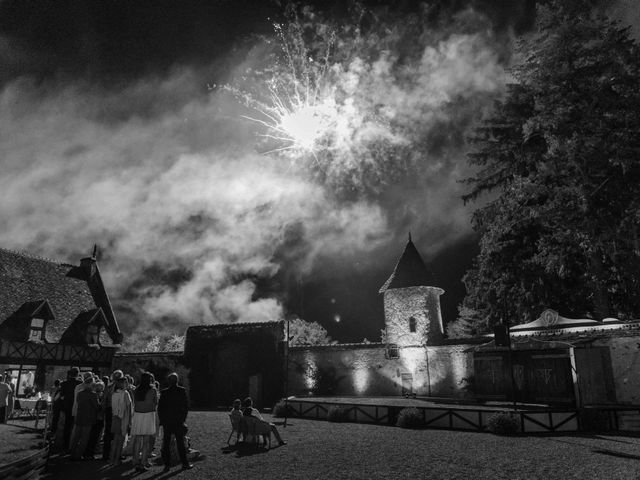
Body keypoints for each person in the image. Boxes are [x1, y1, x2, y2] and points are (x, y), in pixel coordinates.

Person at [158, 373, 193, 472]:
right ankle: (185, 464)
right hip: (178, 421)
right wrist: (182, 419)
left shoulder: (164, 392)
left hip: (167, 422)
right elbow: (185, 407)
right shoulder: (181, 391)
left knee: (166, 443)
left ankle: (167, 465)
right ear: (177, 381)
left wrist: (163, 420)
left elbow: (160, 408)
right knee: (180, 443)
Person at [130, 372, 158, 472]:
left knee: (137, 440)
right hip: (148, 415)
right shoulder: (153, 390)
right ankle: (143, 462)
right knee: (146, 441)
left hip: (138, 415)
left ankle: (135, 460)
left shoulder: (136, 390)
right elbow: (155, 403)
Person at [69, 376, 99, 460]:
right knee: (84, 438)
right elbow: (96, 406)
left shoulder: (80, 393)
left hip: (79, 416)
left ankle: (72, 453)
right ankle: (78, 455)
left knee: (76, 437)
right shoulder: (93, 394)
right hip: (88, 418)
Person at [109, 377, 132, 466]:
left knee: (115, 440)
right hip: (123, 418)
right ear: (124, 383)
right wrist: (130, 421)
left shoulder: (114, 393)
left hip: (115, 417)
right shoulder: (125, 394)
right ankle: (116, 460)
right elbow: (129, 408)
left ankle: (111, 459)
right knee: (120, 441)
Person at [60, 367, 82, 450]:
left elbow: (62, 396)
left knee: (67, 425)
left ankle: (65, 444)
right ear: (77, 374)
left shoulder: (64, 383)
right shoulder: (80, 383)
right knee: (75, 426)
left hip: (67, 406)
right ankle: (73, 444)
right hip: (76, 406)